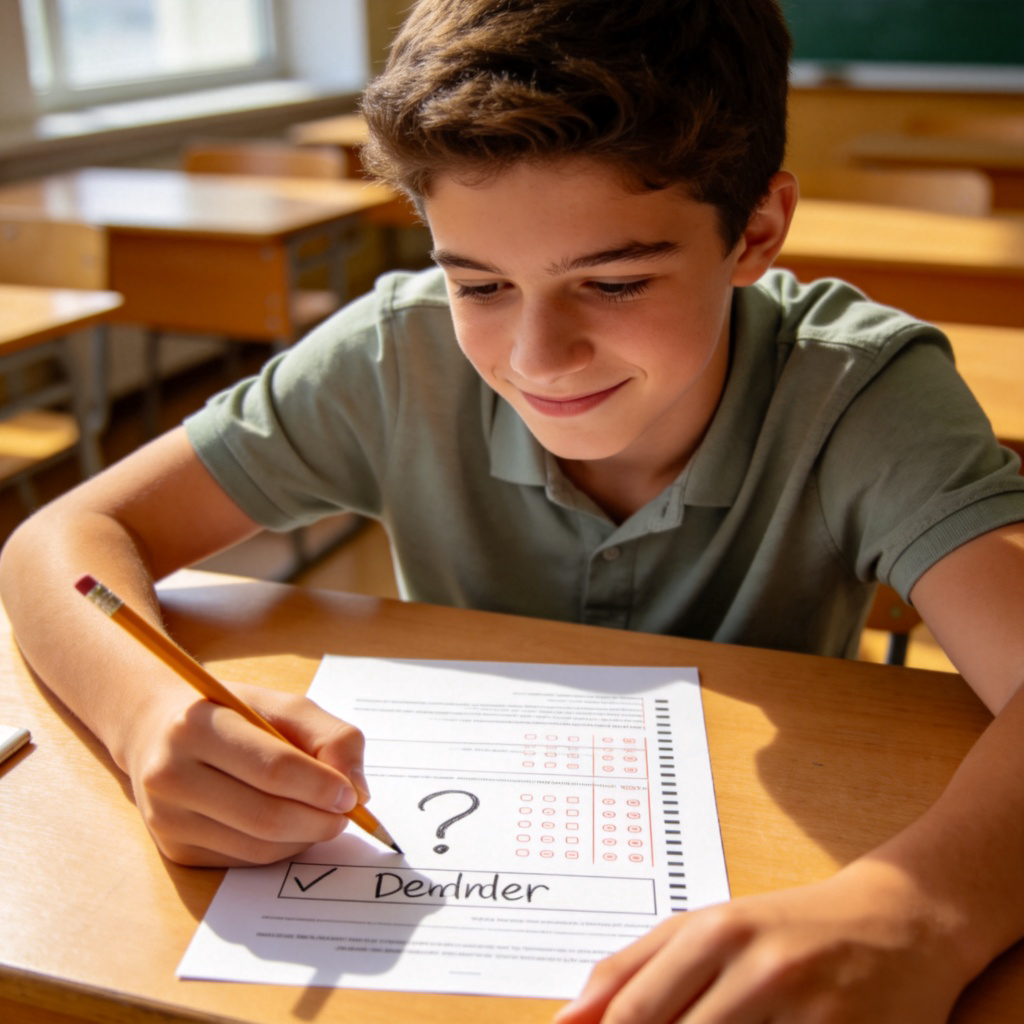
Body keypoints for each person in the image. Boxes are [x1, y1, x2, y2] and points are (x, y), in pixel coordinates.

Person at [2, 0, 1023, 1020]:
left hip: (766, 885)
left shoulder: (859, 390)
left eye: (615, 281)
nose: (535, 359)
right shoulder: (395, 354)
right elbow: (64, 541)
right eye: (479, 283)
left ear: (754, 230)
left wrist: (918, 907)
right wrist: (147, 714)